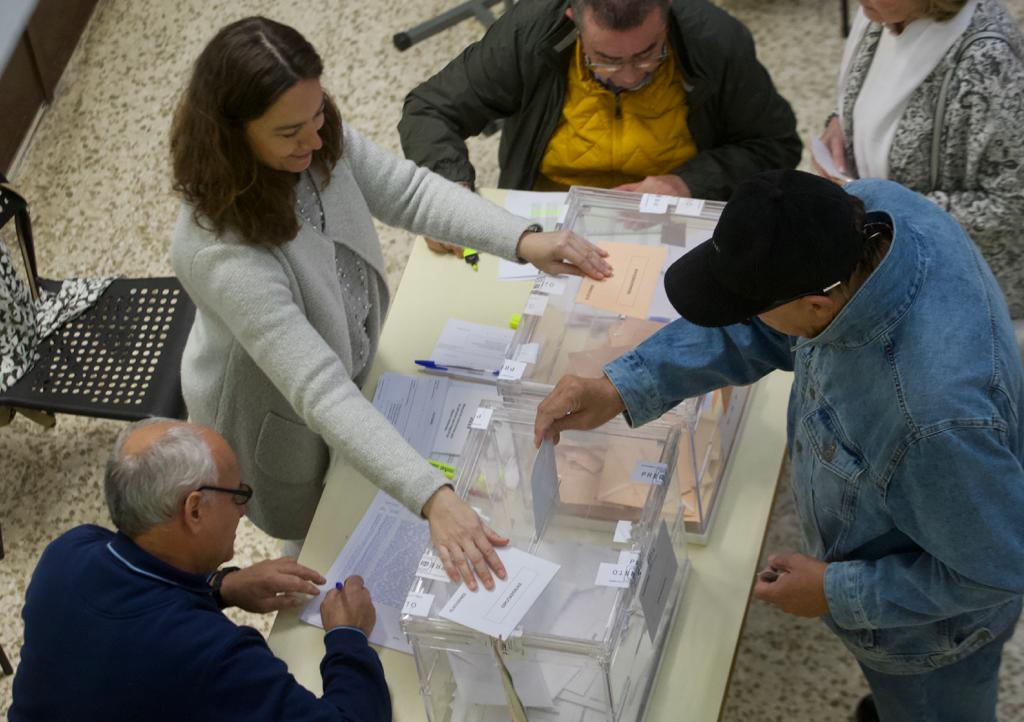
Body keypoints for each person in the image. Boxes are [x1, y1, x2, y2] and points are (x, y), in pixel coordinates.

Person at [533, 170, 1024, 721]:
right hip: (918, 532)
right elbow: (764, 327)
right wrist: (623, 386)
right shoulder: (870, 214)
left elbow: (997, 567)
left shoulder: (931, 421)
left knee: (932, 706)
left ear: (815, 305)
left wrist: (835, 592)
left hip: (934, 637)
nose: (745, 315)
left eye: (750, 303)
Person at [169, 17, 613, 591]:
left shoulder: (312, 135)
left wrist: (523, 239)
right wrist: (432, 496)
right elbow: (318, 389)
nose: (313, 140)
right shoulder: (219, 250)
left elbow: (407, 190)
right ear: (233, 135)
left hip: (348, 369)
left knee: (369, 487)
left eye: (318, 117)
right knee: (325, 536)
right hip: (277, 416)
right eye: (288, 133)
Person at [9, 419, 390, 722]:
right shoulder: (212, 657)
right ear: (194, 510)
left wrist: (222, 586)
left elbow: (135, 604)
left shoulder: (67, 552)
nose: (243, 508)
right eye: (237, 494)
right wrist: (347, 635)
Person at [399, 0, 801, 254]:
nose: (628, 76)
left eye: (648, 54)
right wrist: (451, 191)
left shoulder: (716, 40)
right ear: (573, 17)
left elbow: (775, 145)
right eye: (604, 59)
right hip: (549, 216)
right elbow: (429, 109)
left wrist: (685, 183)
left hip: (673, 216)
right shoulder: (531, 32)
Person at [816, 0, 1024, 324]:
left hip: (959, 293)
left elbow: (1010, 204)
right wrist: (840, 121)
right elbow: (867, 87)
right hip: (888, 257)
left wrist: (875, 203)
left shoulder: (988, 61)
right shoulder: (881, 13)